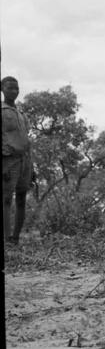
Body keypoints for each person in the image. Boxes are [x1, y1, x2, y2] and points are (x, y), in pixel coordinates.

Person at [2, 76, 35, 245]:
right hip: (8, 160)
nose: (14, 91)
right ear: (2, 89)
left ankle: (16, 238)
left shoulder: (21, 113)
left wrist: (32, 166)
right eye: (10, 88)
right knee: (6, 199)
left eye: (16, 88)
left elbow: (26, 139)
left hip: (25, 161)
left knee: (21, 198)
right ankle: (6, 239)